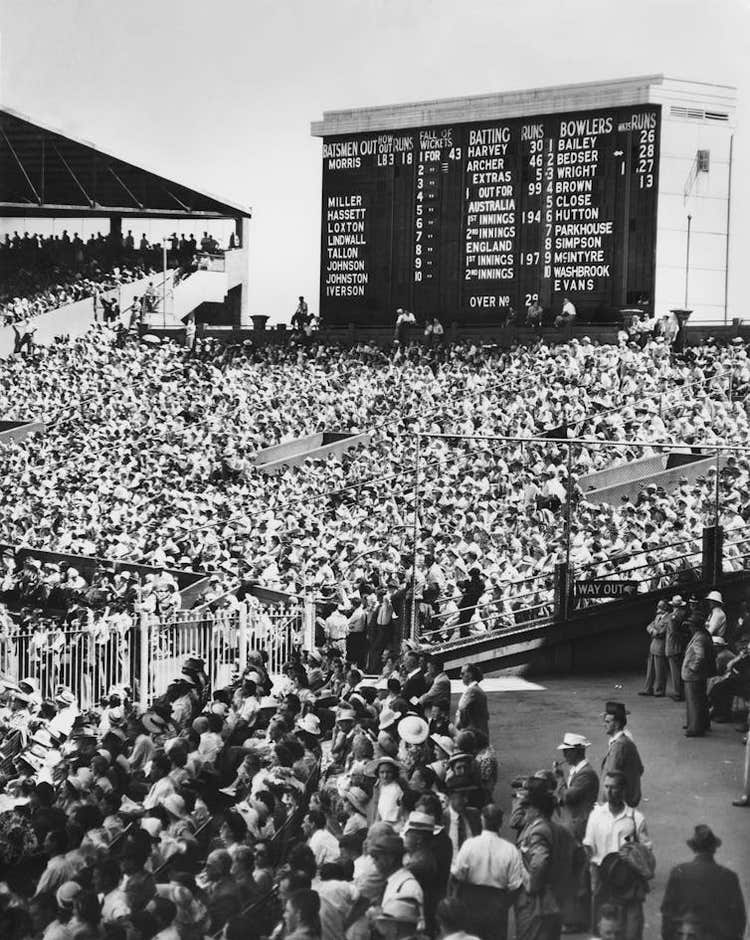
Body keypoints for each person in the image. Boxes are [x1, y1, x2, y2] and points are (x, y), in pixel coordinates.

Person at [584, 771, 652, 940]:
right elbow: (589, 847)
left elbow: (647, 852)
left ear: (623, 790)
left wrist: (636, 856)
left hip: (628, 882)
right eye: (606, 787)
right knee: (602, 932)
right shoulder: (596, 815)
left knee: (631, 931)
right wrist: (592, 876)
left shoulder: (635, 818)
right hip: (603, 881)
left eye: (614, 788)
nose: (609, 792)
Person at [450, 804, 523, 940]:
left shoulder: (469, 845)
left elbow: (458, 874)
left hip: (470, 901)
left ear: (482, 820)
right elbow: (516, 885)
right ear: (501, 823)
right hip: (497, 902)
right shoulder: (510, 850)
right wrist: (503, 905)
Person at [661, 824, 746, 940]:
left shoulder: (679, 872)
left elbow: (667, 912)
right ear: (714, 849)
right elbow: (739, 918)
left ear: (694, 848)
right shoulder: (729, 877)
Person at [554, 733, 599, 933]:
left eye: (567, 751)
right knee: (573, 873)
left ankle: (576, 920)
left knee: (577, 874)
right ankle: (573, 917)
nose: (564, 753)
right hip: (575, 824)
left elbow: (568, 798)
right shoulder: (578, 771)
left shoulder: (586, 775)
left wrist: (559, 780)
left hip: (579, 825)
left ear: (576, 751)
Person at [515, 778, 562, 940]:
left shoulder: (538, 831)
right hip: (549, 902)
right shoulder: (548, 826)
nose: (524, 810)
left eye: (527, 806)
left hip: (536, 905)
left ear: (537, 809)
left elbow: (540, 862)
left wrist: (529, 882)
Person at [599, 703, 643, 807]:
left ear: (617, 724)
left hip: (616, 803)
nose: (604, 725)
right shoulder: (623, 741)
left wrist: (604, 805)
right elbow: (640, 768)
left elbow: (611, 777)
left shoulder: (619, 746)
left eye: (607, 722)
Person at [681, 614, 715, 737]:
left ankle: (694, 727)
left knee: (693, 701)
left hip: (693, 675)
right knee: (701, 700)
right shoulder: (704, 636)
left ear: (695, 627)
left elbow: (700, 656)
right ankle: (701, 723)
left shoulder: (699, 638)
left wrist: (693, 667)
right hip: (700, 675)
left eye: (691, 625)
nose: (689, 628)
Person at [639, 599, 669, 697]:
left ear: (665, 607)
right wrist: (654, 631)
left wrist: (653, 631)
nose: (658, 608)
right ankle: (648, 689)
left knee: (660, 671)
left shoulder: (668, 619)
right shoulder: (658, 617)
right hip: (653, 646)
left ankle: (659, 691)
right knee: (650, 671)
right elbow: (649, 626)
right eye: (658, 606)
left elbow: (661, 633)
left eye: (660, 606)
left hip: (660, 647)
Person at [455, 665, 489, 740]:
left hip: (473, 735)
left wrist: (456, 730)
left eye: (462, 673)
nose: (460, 676)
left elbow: (462, 710)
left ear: (469, 675)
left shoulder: (472, 691)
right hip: (479, 733)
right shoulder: (477, 690)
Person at [665, 596, 688, 702]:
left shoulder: (672, 617)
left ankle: (678, 693)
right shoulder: (681, 615)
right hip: (679, 646)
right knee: (678, 671)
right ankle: (681, 692)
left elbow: (674, 632)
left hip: (673, 647)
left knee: (675, 672)